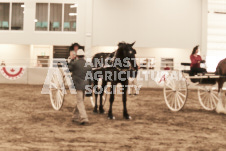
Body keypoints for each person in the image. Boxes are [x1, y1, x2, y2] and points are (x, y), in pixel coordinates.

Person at [69, 49, 92, 125]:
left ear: (77, 56)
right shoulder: (88, 65)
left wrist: (71, 60)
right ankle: (75, 117)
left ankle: (84, 118)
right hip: (86, 85)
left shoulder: (75, 63)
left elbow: (69, 69)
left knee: (80, 101)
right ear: (84, 56)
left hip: (78, 85)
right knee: (80, 100)